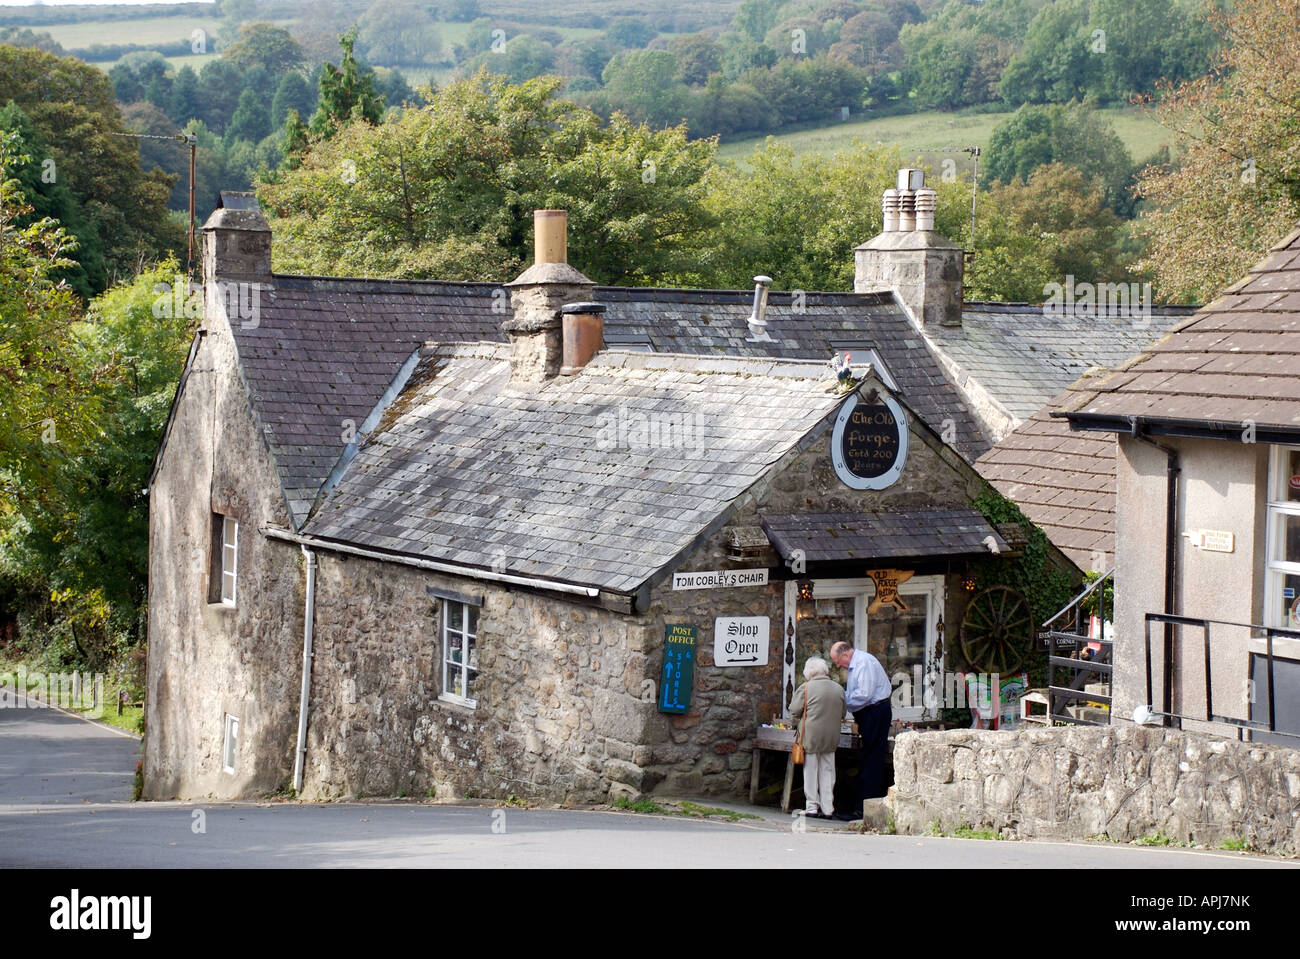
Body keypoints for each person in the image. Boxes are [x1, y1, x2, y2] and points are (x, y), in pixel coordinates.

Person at [829, 640, 892, 820]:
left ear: (845, 655)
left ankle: (864, 809)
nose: (837, 665)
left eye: (837, 661)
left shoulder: (863, 663)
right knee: (868, 758)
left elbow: (864, 695)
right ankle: (862, 806)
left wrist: (842, 701)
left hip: (875, 712)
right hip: (871, 712)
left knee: (872, 759)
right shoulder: (857, 664)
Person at [787, 657, 845, 820]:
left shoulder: (806, 688)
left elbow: (794, 711)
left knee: (811, 771)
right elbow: (843, 713)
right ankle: (828, 808)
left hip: (811, 736)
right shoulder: (838, 689)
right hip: (831, 736)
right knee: (828, 771)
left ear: (809, 672)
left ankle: (812, 806)